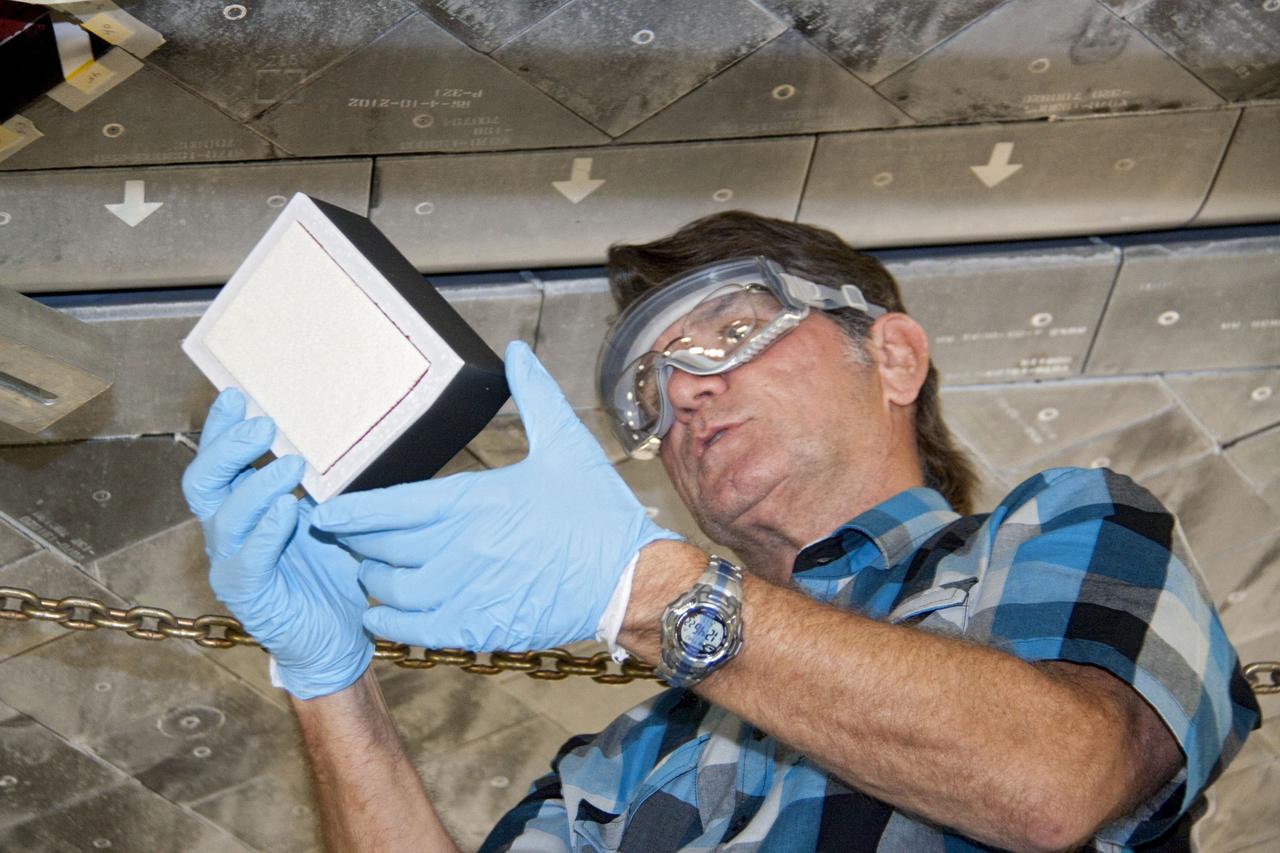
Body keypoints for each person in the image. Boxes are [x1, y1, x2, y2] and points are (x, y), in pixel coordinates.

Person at [181, 212, 1260, 852]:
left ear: (890, 357)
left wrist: (650, 593)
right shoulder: (624, 759)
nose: (681, 396)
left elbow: (1055, 779)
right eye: (648, 395)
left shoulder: (1060, 527)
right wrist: (328, 684)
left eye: (730, 333)